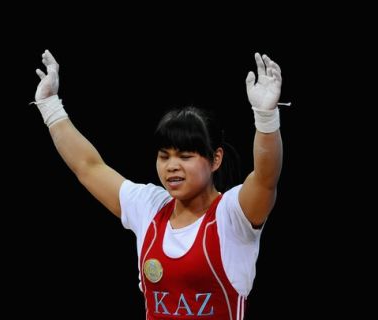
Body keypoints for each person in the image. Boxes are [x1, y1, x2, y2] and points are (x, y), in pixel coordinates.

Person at [32, 49, 284, 319]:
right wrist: (50, 107)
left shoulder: (232, 215)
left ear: (215, 159)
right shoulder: (149, 207)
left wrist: (266, 118)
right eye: (164, 156)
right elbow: (88, 167)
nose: (172, 166)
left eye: (185, 156)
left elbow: (266, 178)